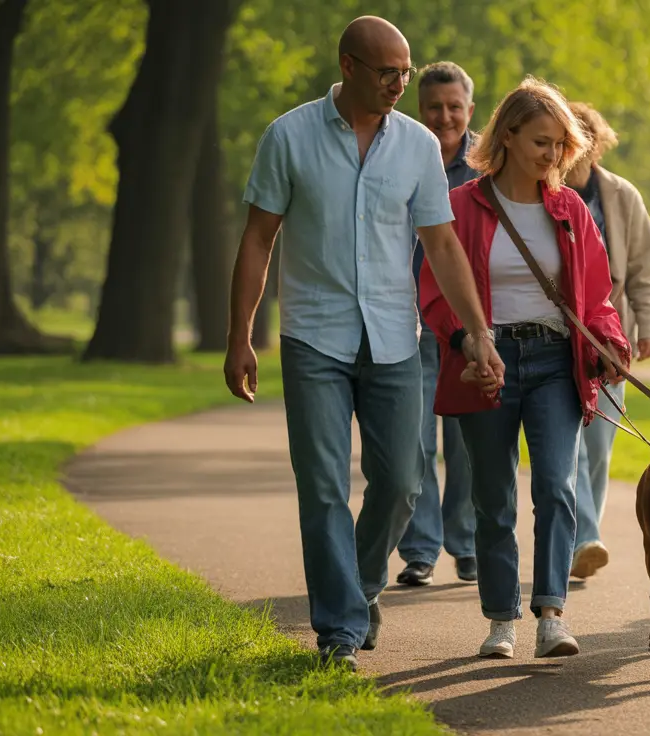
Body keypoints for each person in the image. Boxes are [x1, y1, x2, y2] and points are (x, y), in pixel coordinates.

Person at [223, 16, 502, 672]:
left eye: (405, 70)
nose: (400, 84)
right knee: (321, 486)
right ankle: (340, 633)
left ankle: (362, 585)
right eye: (387, 72)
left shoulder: (416, 147)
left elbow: (441, 244)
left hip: (393, 340)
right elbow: (259, 238)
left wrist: (477, 333)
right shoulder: (288, 136)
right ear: (348, 66)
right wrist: (240, 336)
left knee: (402, 482)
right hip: (313, 337)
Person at [419, 76, 630, 659]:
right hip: (484, 362)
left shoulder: (570, 211)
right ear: (507, 135)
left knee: (558, 488)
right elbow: (434, 291)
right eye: (543, 142)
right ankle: (500, 620)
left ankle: (552, 615)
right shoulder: (460, 206)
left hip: (554, 362)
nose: (555, 156)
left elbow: (597, 298)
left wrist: (610, 344)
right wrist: (466, 343)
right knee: (493, 497)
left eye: (562, 146)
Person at [564, 101, 650, 581]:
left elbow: (644, 267)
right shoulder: (542, 191)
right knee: (569, 446)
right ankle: (581, 537)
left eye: (582, 138)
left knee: (599, 446)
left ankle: (586, 536)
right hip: (555, 332)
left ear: (596, 143)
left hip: (609, 338)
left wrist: (648, 328)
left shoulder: (622, 195)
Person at [395, 61, 483, 588]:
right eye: (434, 107)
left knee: (467, 438)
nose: (444, 116)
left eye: (454, 107)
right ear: (419, 109)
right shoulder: (403, 154)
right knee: (414, 440)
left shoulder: (486, 165)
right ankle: (421, 550)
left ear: (469, 110)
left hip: (467, 321)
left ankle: (466, 543)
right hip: (407, 318)